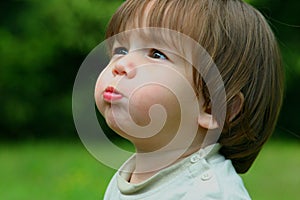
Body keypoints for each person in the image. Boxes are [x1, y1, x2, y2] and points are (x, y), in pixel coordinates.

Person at [94, 0, 284, 199]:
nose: (121, 64)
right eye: (121, 50)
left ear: (213, 108)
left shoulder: (208, 194)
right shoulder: (129, 176)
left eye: (157, 54)